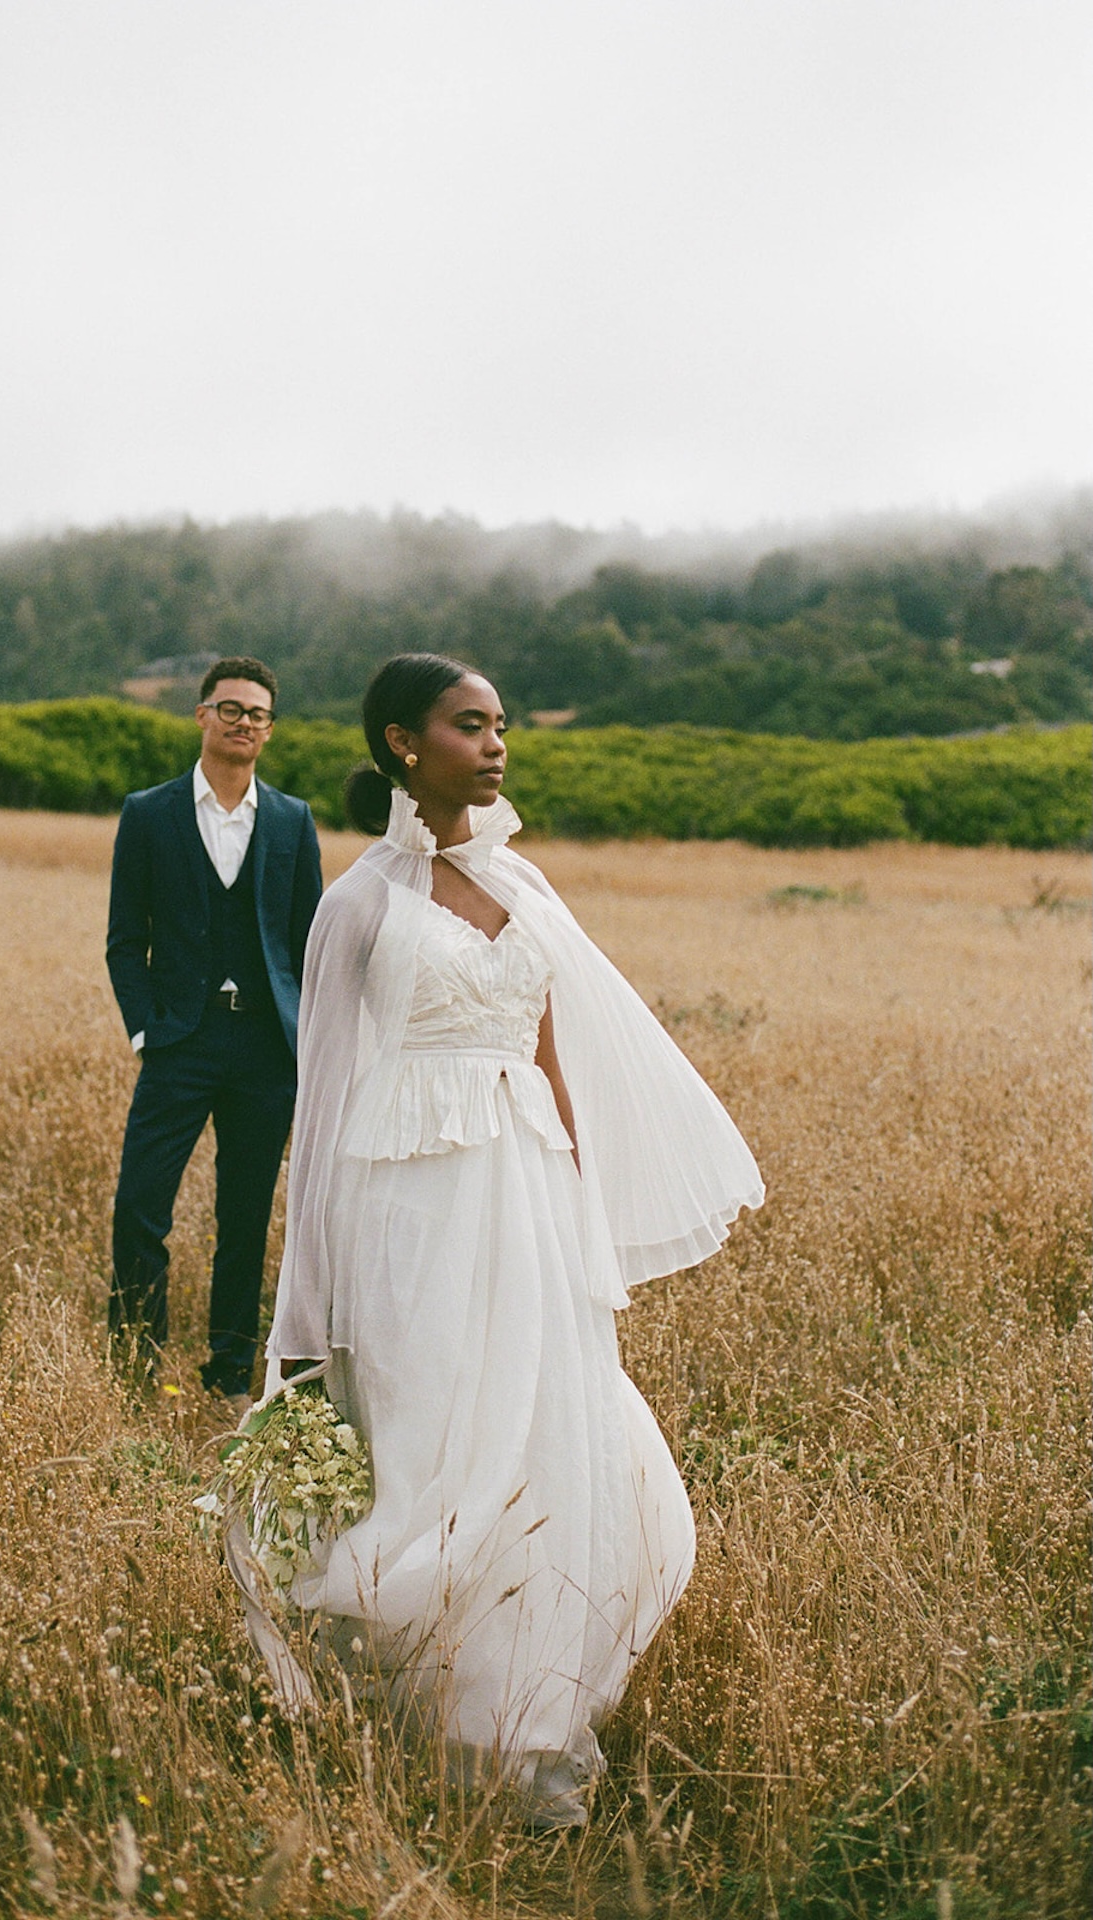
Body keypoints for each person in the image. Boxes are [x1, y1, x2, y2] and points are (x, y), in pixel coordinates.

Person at [247, 652, 763, 1827]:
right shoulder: (359, 905)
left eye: (499, 724)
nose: (494, 744)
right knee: (438, 1445)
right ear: (400, 744)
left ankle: (523, 1720)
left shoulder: (526, 888)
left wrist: (581, 1214)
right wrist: (306, 1310)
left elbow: (551, 1056)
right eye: (467, 725)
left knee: (549, 1437)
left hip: (526, 1192)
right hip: (410, 1210)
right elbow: (319, 1106)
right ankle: (420, 1706)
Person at [106, 656, 322, 1414]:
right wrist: (145, 1033)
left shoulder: (294, 820)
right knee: (140, 1207)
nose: (243, 724)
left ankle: (230, 1371)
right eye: (230, 709)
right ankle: (133, 1366)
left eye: (258, 714)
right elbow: (124, 940)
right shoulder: (149, 813)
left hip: (266, 1051)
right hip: (178, 1044)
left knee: (244, 1216)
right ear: (201, 715)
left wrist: (305, 1037)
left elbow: (307, 944)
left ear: (269, 729)